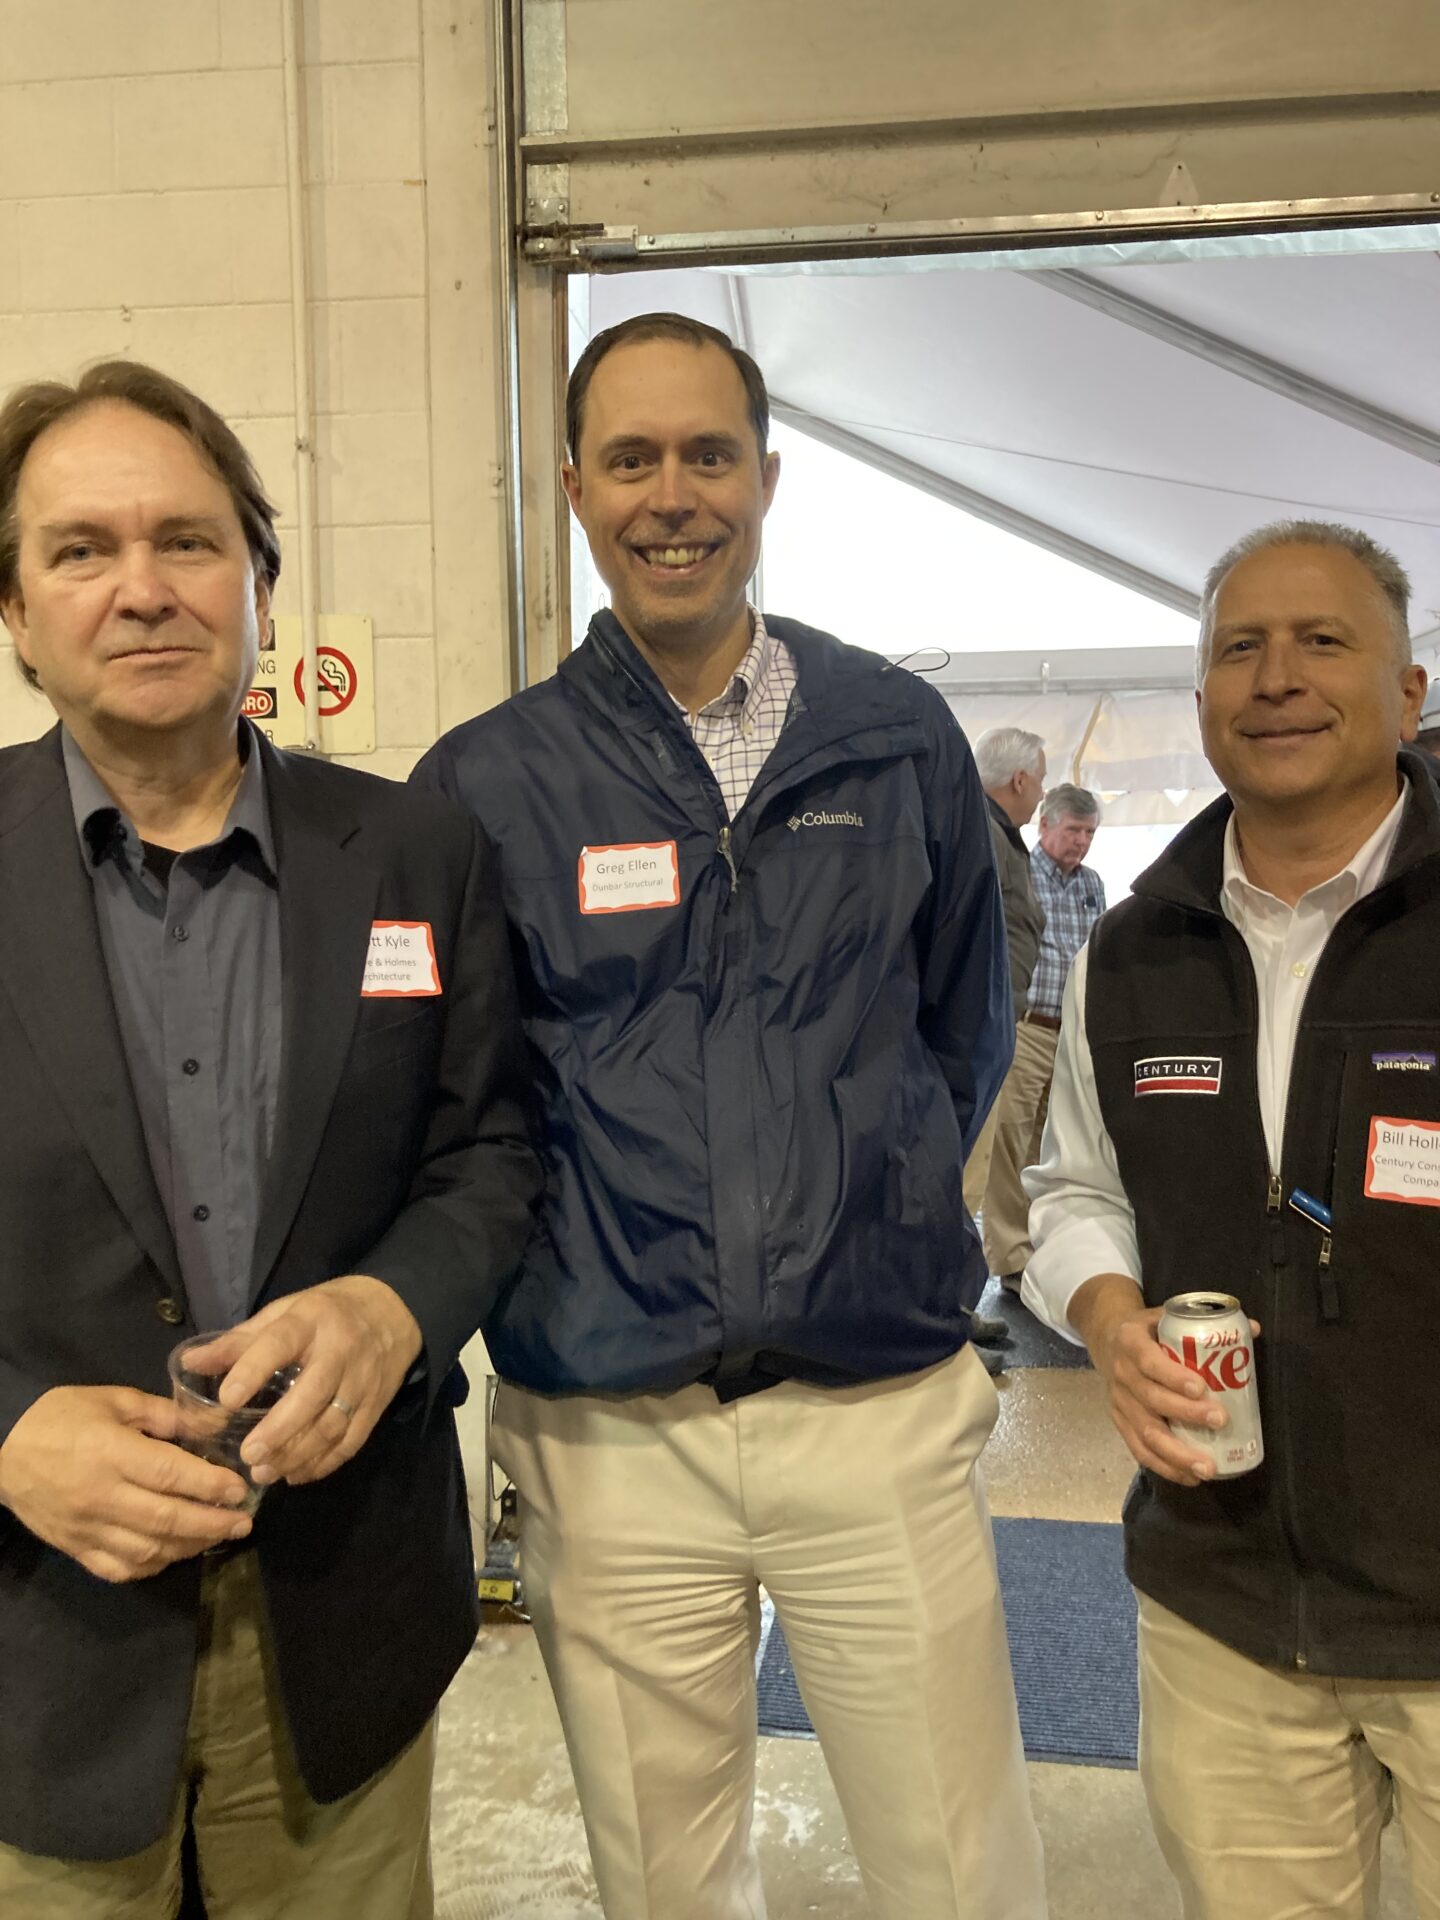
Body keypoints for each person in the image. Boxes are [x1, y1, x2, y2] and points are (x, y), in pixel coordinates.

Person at [414, 312, 1045, 1920]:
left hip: (874, 1410)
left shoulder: (894, 736)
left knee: (960, 1866)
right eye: (631, 458)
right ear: (574, 486)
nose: (671, 494)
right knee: (666, 1882)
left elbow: (964, 1017)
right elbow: (459, 1085)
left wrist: (883, 1192)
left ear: (769, 476)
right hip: (611, 1431)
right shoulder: (487, 783)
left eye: (708, 454)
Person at [0, 361, 539, 1915]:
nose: (144, 589)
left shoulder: (416, 855)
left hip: (342, 1617)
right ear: (20, 615)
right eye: (81, 550)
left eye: (189, 540)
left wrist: (396, 1306)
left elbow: (490, 1157)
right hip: (41, 1633)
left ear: (259, 583)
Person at [1026, 519, 1440, 1918]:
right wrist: (1109, 1316)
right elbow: (1073, 1189)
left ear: (1409, 694)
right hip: (1227, 1612)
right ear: (1200, 698)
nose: (1276, 678)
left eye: (1324, 641)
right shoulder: (1135, 951)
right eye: (1238, 649)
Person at [981, 781, 1103, 1292]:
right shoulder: (1021, 872)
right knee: (1009, 1139)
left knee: (1055, 1144)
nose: (1081, 841)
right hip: (1027, 1025)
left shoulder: (1093, 883)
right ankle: (1010, 1257)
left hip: (1074, 1031)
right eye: (1073, 829)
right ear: (1045, 824)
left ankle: (1047, 1248)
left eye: (1090, 832)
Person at [960, 726, 1048, 1371]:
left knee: (973, 1175)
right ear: (1020, 781)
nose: (1040, 794)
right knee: (962, 1181)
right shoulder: (985, 833)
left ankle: (954, 1314)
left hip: (986, 1024)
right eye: (1040, 781)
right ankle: (947, 1330)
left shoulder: (993, 831)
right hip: (975, 1030)